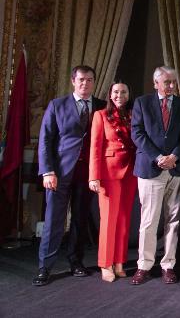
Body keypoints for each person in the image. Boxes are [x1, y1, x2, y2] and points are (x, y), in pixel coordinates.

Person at [33, 65, 106, 286]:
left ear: (94, 82)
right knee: (54, 220)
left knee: (80, 220)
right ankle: (45, 267)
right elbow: (45, 139)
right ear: (73, 81)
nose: (85, 83)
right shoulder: (57, 105)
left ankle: (76, 262)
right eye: (81, 79)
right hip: (59, 173)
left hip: (88, 174)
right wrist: (48, 171)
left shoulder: (103, 106)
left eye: (90, 80)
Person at [130, 66, 180, 285]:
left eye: (173, 82)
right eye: (167, 82)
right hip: (151, 169)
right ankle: (144, 266)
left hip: (175, 169)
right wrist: (158, 157)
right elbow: (137, 133)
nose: (172, 86)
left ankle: (168, 265)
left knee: (173, 219)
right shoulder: (142, 103)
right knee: (149, 220)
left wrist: (174, 156)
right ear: (156, 83)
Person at [88, 81, 137, 282]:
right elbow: (95, 147)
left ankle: (119, 261)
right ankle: (105, 263)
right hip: (109, 173)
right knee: (109, 220)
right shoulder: (100, 115)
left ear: (128, 94)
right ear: (110, 94)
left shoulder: (134, 115)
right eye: (116, 92)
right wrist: (93, 176)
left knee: (125, 219)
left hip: (131, 172)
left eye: (124, 92)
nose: (119, 95)